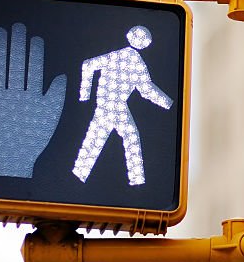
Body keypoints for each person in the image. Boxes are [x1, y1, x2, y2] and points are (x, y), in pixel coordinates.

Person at [72, 25, 172, 185]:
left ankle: (79, 175)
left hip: (110, 105)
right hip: (112, 106)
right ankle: (136, 181)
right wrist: (84, 94)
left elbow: (88, 65)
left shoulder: (120, 57)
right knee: (122, 137)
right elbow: (146, 90)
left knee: (103, 137)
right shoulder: (133, 61)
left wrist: (85, 95)